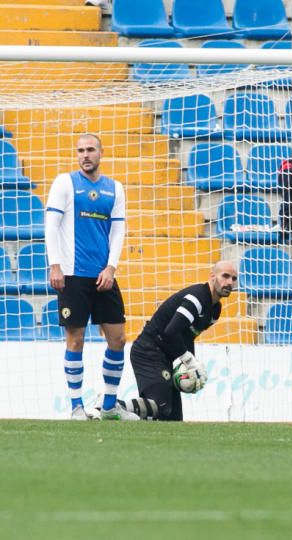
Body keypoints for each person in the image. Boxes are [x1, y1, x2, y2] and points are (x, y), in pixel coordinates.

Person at [44, 133, 135, 421]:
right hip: (72, 275)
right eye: (80, 150)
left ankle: (108, 406)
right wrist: (55, 265)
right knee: (75, 339)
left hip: (103, 276)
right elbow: (51, 225)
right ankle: (76, 407)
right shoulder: (65, 183)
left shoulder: (115, 189)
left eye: (90, 149)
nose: (85, 155)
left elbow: (118, 230)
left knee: (118, 338)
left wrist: (111, 267)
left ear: (101, 153)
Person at [118, 261, 236, 421]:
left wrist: (189, 369)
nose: (230, 282)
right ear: (212, 276)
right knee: (161, 407)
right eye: (225, 276)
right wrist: (190, 361)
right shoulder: (197, 298)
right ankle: (110, 406)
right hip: (148, 351)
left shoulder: (215, 311)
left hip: (164, 357)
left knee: (173, 418)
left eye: (234, 279)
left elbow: (188, 336)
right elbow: (171, 332)